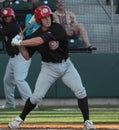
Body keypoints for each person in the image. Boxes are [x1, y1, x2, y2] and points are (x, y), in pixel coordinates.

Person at [8, 5, 96, 130]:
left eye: (48, 16)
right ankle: (19, 119)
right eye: (44, 18)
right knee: (36, 96)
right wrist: (19, 45)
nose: (47, 19)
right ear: (39, 20)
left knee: (80, 91)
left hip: (66, 66)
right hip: (48, 68)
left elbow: (40, 41)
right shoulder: (35, 34)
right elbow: (27, 56)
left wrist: (20, 42)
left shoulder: (57, 28)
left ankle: (87, 121)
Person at [0, 7, 32, 109]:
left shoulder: (13, 26)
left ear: (12, 16)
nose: (7, 18)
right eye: (5, 17)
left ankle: (31, 104)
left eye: (9, 16)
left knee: (19, 80)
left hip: (21, 56)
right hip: (13, 57)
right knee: (7, 80)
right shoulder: (8, 26)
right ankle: (10, 104)